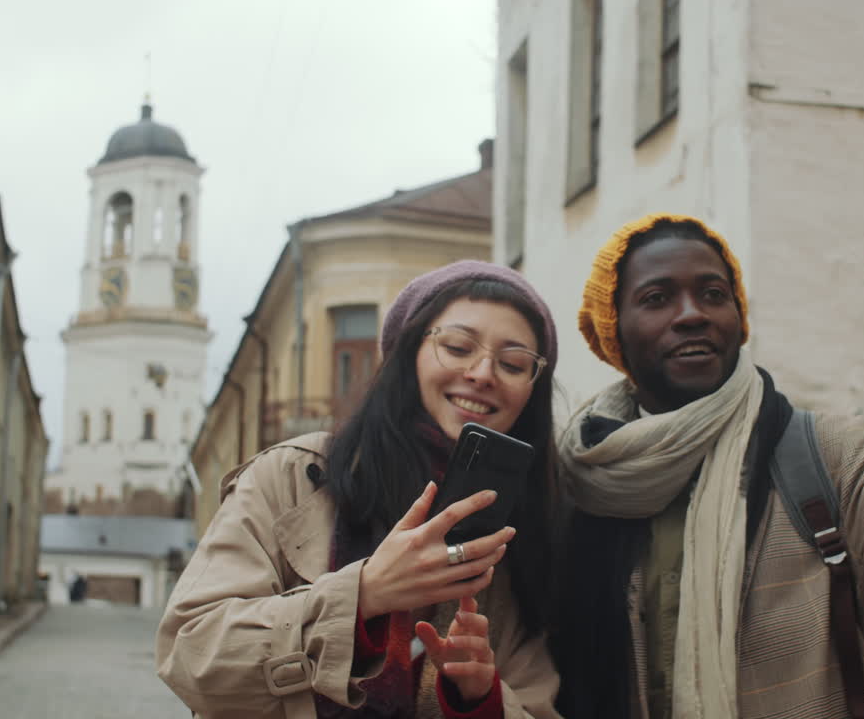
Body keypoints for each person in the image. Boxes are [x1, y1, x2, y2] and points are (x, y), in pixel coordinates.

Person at [549, 214, 864, 719]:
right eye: (657, 299)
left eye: (713, 294)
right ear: (616, 332)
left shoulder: (823, 452)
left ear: (738, 320)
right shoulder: (578, 480)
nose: (692, 314)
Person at [156, 261, 562, 719]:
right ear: (406, 353)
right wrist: (363, 597)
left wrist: (479, 698)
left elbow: (537, 702)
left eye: (513, 363)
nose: (483, 372)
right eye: (456, 346)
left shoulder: (520, 529)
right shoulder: (293, 475)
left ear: (533, 389)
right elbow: (191, 656)